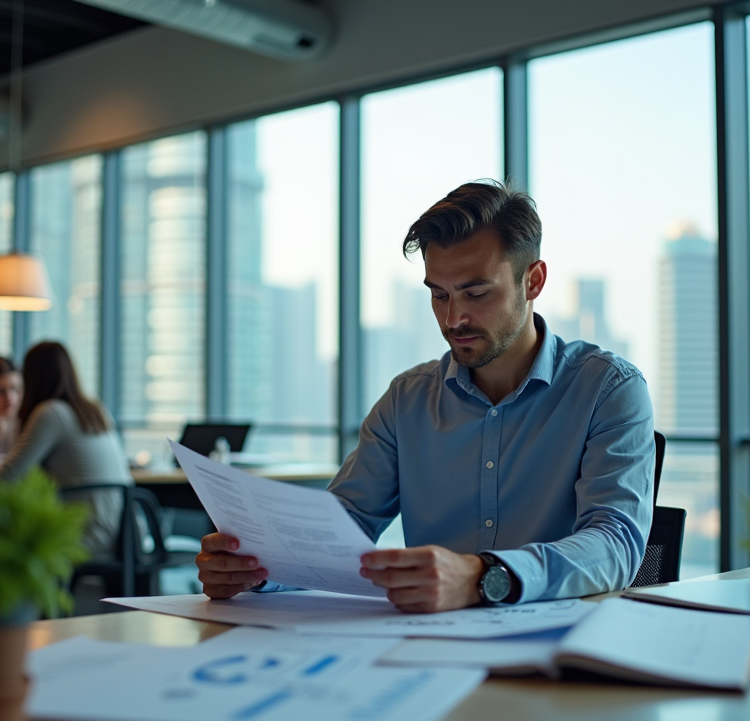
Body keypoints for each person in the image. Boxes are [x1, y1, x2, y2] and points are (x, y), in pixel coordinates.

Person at [197, 180, 655, 611]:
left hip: (562, 654)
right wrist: (257, 568)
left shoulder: (608, 390)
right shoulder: (406, 400)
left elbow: (616, 543)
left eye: (476, 293)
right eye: (439, 295)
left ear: (532, 281)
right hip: (427, 648)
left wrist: (483, 577)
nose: (454, 318)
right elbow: (344, 527)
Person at [0, 341, 132, 555]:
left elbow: (8, 477)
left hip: (84, 533)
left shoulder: (51, 412)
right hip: (121, 533)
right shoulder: (96, 410)